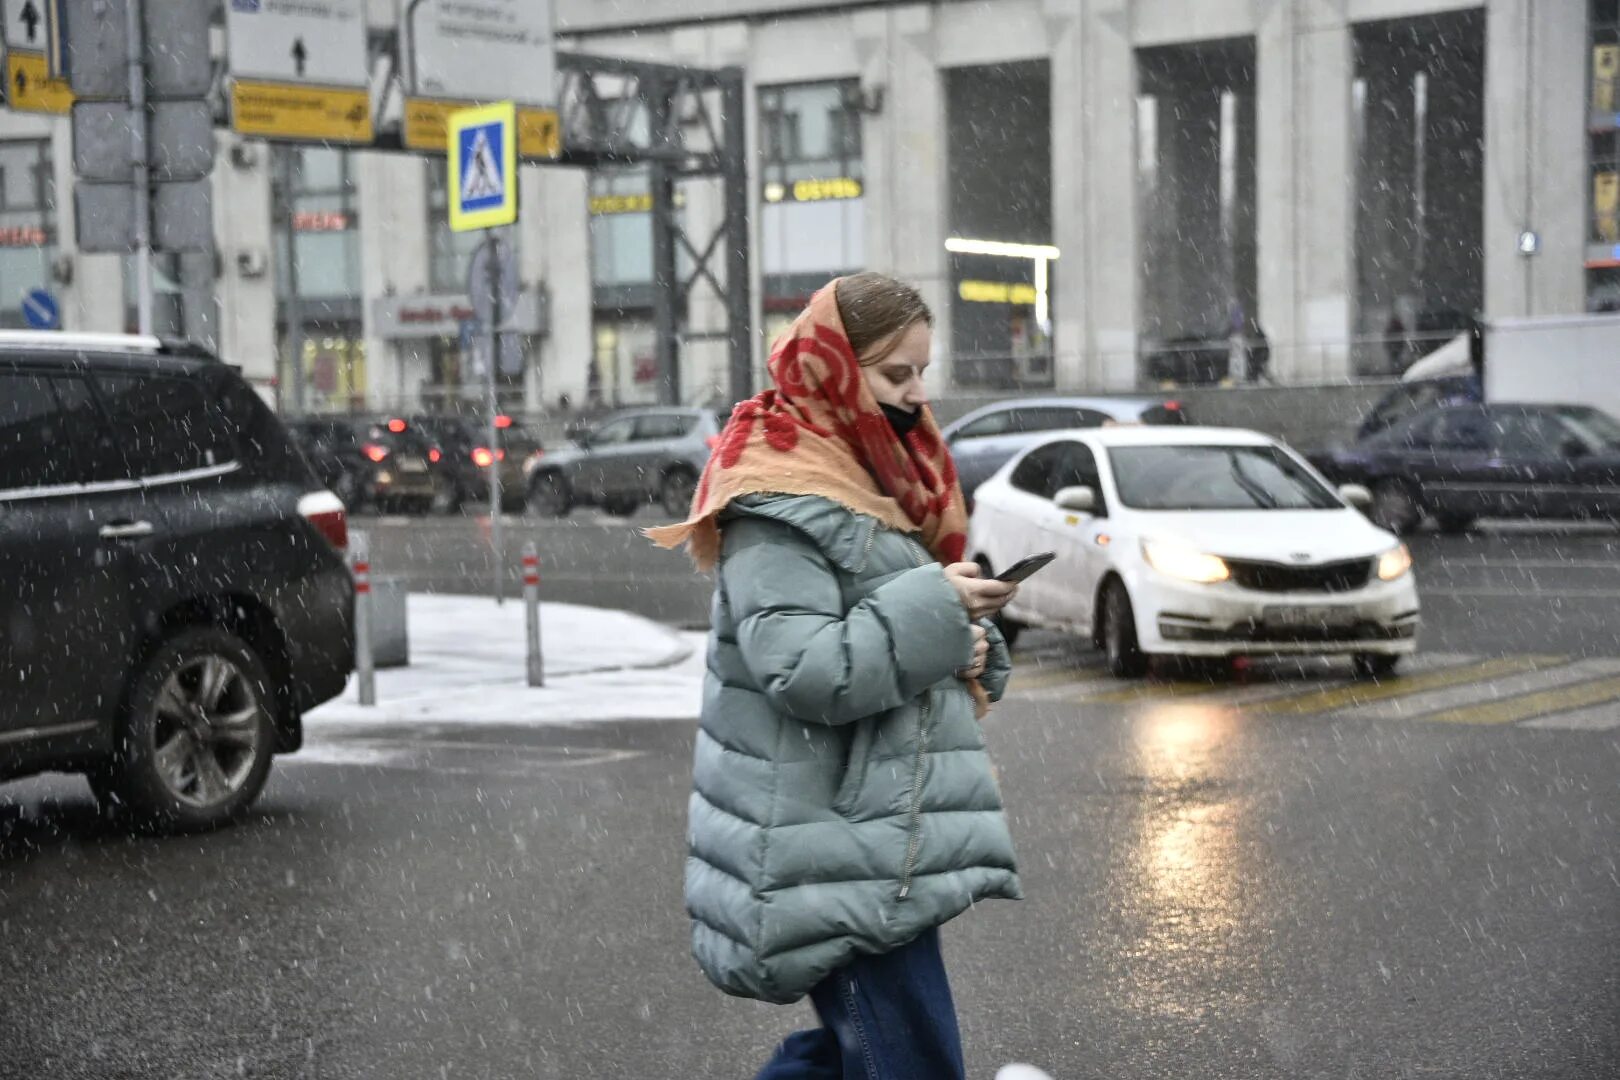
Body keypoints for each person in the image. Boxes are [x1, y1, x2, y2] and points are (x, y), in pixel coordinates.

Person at [647, 273, 1024, 1080]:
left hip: (880, 839)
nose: (917, 396)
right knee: (909, 1063)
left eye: (924, 372)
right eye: (896, 375)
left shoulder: (881, 472)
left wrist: (973, 636)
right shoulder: (777, 489)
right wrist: (937, 610)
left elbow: (899, 626)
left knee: (859, 1057)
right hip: (833, 847)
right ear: (836, 370)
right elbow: (805, 670)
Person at [1244, 320, 1272, 385]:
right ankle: (1255, 380)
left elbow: (1263, 350)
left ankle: (1255, 380)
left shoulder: (1258, 335)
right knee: (1256, 371)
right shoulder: (1257, 334)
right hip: (1257, 358)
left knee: (1256, 370)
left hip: (1258, 358)